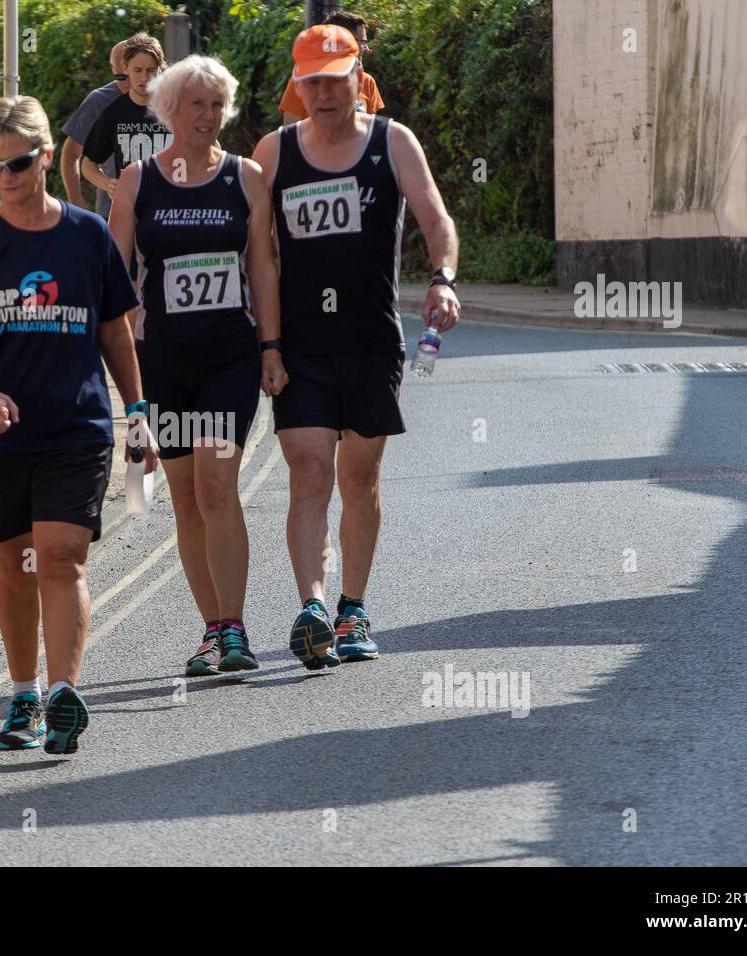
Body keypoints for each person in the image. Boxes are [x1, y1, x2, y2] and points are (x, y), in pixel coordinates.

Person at [0, 96, 158, 755]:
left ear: (47, 157)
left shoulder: (85, 236)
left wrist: (138, 415)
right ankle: (23, 691)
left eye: (18, 163)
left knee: (59, 555)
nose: (5, 177)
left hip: (76, 428)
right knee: (12, 564)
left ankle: (62, 693)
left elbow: (115, 332)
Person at [252, 24, 460, 669]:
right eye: (310, 80)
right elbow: (257, 251)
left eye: (334, 79)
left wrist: (443, 279)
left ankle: (352, 608)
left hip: (372, 339)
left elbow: (435, 217)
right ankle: (311, 605)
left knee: (360, 478)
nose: (323, 92)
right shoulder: (275, 152)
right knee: (309, 473)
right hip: (302, 345)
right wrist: (266, 342)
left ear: (355, 78)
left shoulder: (393, 143)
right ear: (297, 85)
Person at [109, 55, 287, 676]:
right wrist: (125, 346)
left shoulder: (246, 177)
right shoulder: (137, 183)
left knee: (217, 483)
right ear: (169, 111)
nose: (209, 117)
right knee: (184, 498)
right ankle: (211, 629)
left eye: (217, 105)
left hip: (227, 357)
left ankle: (235, 628)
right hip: (162, 362)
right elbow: (114, 280)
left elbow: (263, 265)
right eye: (196, 105)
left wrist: (271, 346)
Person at [80, 33, 173, 204]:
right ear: (125, 68)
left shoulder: (178, 109)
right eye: (137, 70)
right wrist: (108, 184)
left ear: (161, 68)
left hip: (175, 209)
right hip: (133, 210)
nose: (144, 78)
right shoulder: (114, 113)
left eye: (151, 70)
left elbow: (212, 149)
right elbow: (88, 164)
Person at [60, 40, 130, 218]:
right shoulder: (100, 101)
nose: (130, 82)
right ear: (112, 69)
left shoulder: (166, 98)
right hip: (112, 210)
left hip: (159, 208)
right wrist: (75, 200)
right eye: (121, 77)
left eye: (135, 72)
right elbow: (71, 154)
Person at [279, 11, 384, 125]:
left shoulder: (367, 82)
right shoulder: (303, 82)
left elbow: (370, 132)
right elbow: (290, 133)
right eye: (362, 42)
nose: (366, 48)